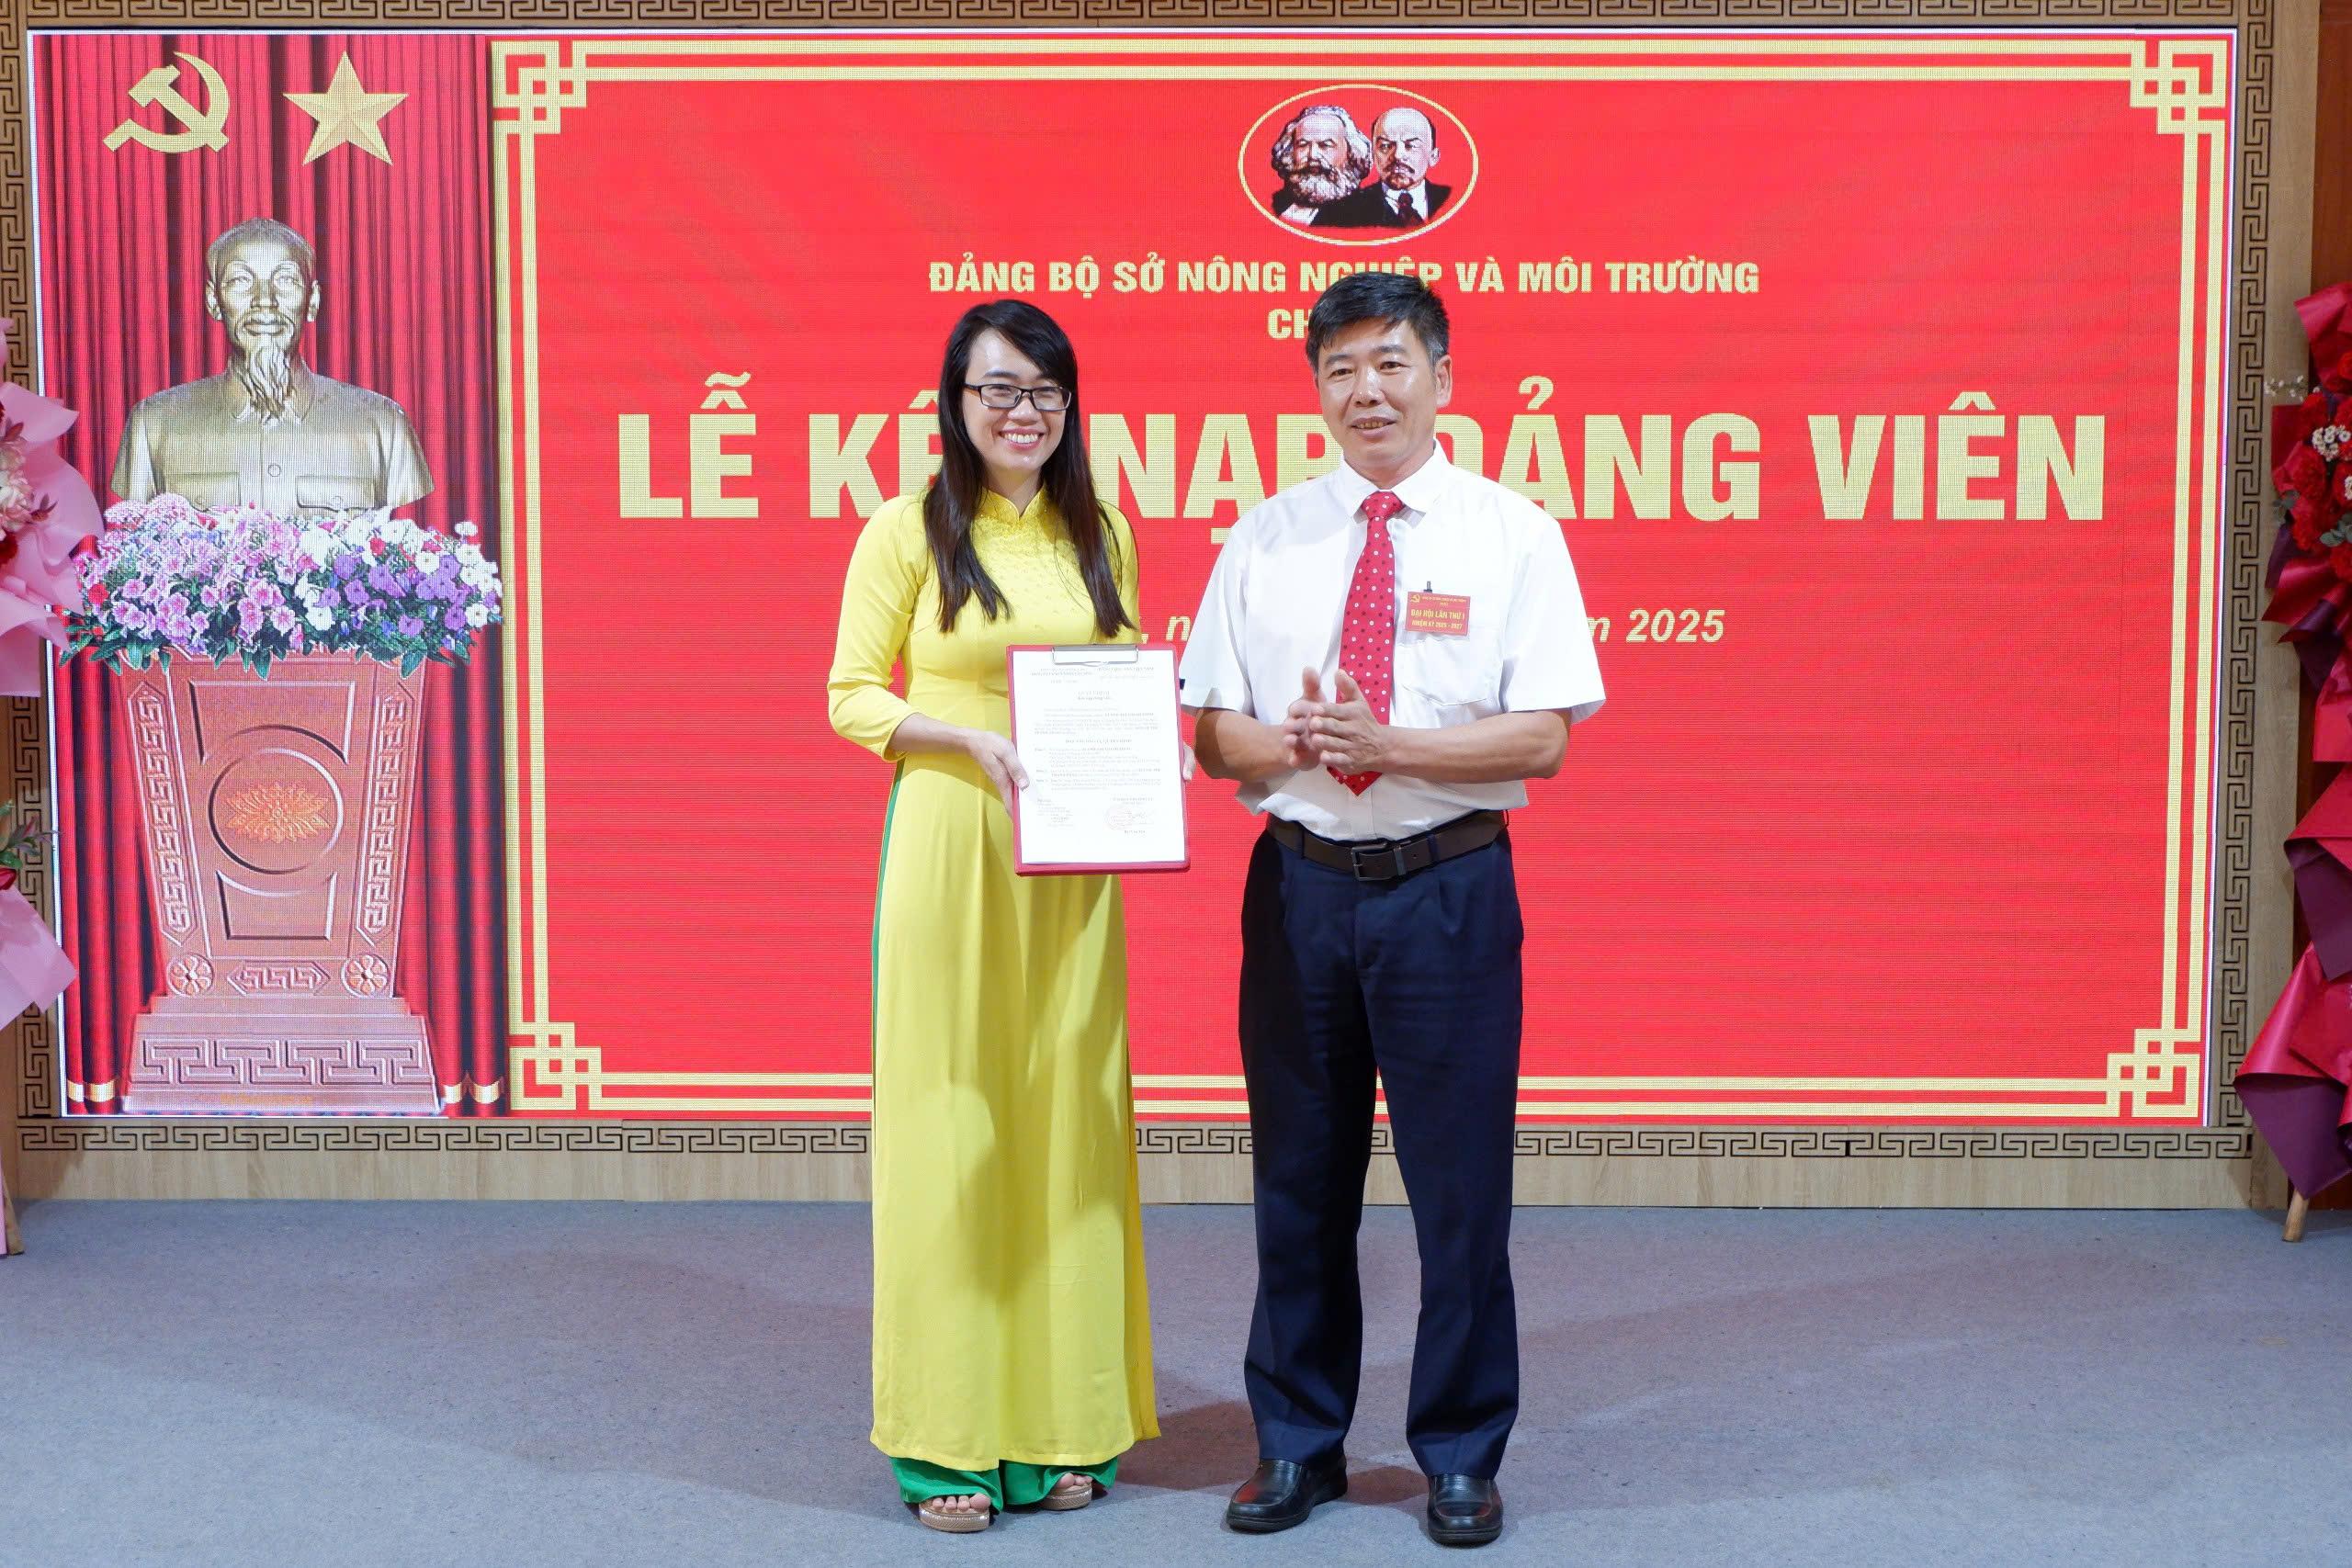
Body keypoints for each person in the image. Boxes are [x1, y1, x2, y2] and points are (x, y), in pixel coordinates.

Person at [1177, 273, 1603, 1548]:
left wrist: (1391, 745)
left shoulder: (1511, 533)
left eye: (1390, 363)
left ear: (1441, 378)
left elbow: (1543, 739)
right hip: (1300, 889)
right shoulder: (1264, 536)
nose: (1366, 390)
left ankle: (1460, 1453)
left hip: (1447, 891)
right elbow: (1211, 732)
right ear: (1315, 387)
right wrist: (1291, 741)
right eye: (1341, 369)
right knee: (1296, 1182)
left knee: (1458, 1192)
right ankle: (1296, 1442)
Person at [827, 299, 1157, 1534]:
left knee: (1068, 1121)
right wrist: (961, 738)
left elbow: (1118, 678)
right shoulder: (905, 529)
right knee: (952, 1125)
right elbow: (850, 693)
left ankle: (1060, 1423)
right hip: (954, 841)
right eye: (998, 389)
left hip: (1073, 861)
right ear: (954, 403)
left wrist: (1153, 753)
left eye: (1044, 391)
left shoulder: (1102, 530)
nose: (1024, 412)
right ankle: (946, 1441)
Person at [111, 217, 431, 514]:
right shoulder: (154, 425)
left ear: (312, 301)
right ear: (213, 301)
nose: (265, 300)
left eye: (286, 280)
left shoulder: (383, 425)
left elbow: (411, 547)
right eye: (241, 280)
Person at [1317, 107, 1452, 229]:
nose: (1398, 155)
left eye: (1410, 146)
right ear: (1373, 154)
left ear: (1433, 156)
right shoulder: (1340, 213)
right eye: (1385, 146)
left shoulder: (1450, 201)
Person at [1264, 105, 1375, 227]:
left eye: (1325, 145)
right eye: (1303, 145)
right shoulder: (1275, 204)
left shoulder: (1365, 213)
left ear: (1351, 153)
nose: (1313, 155)